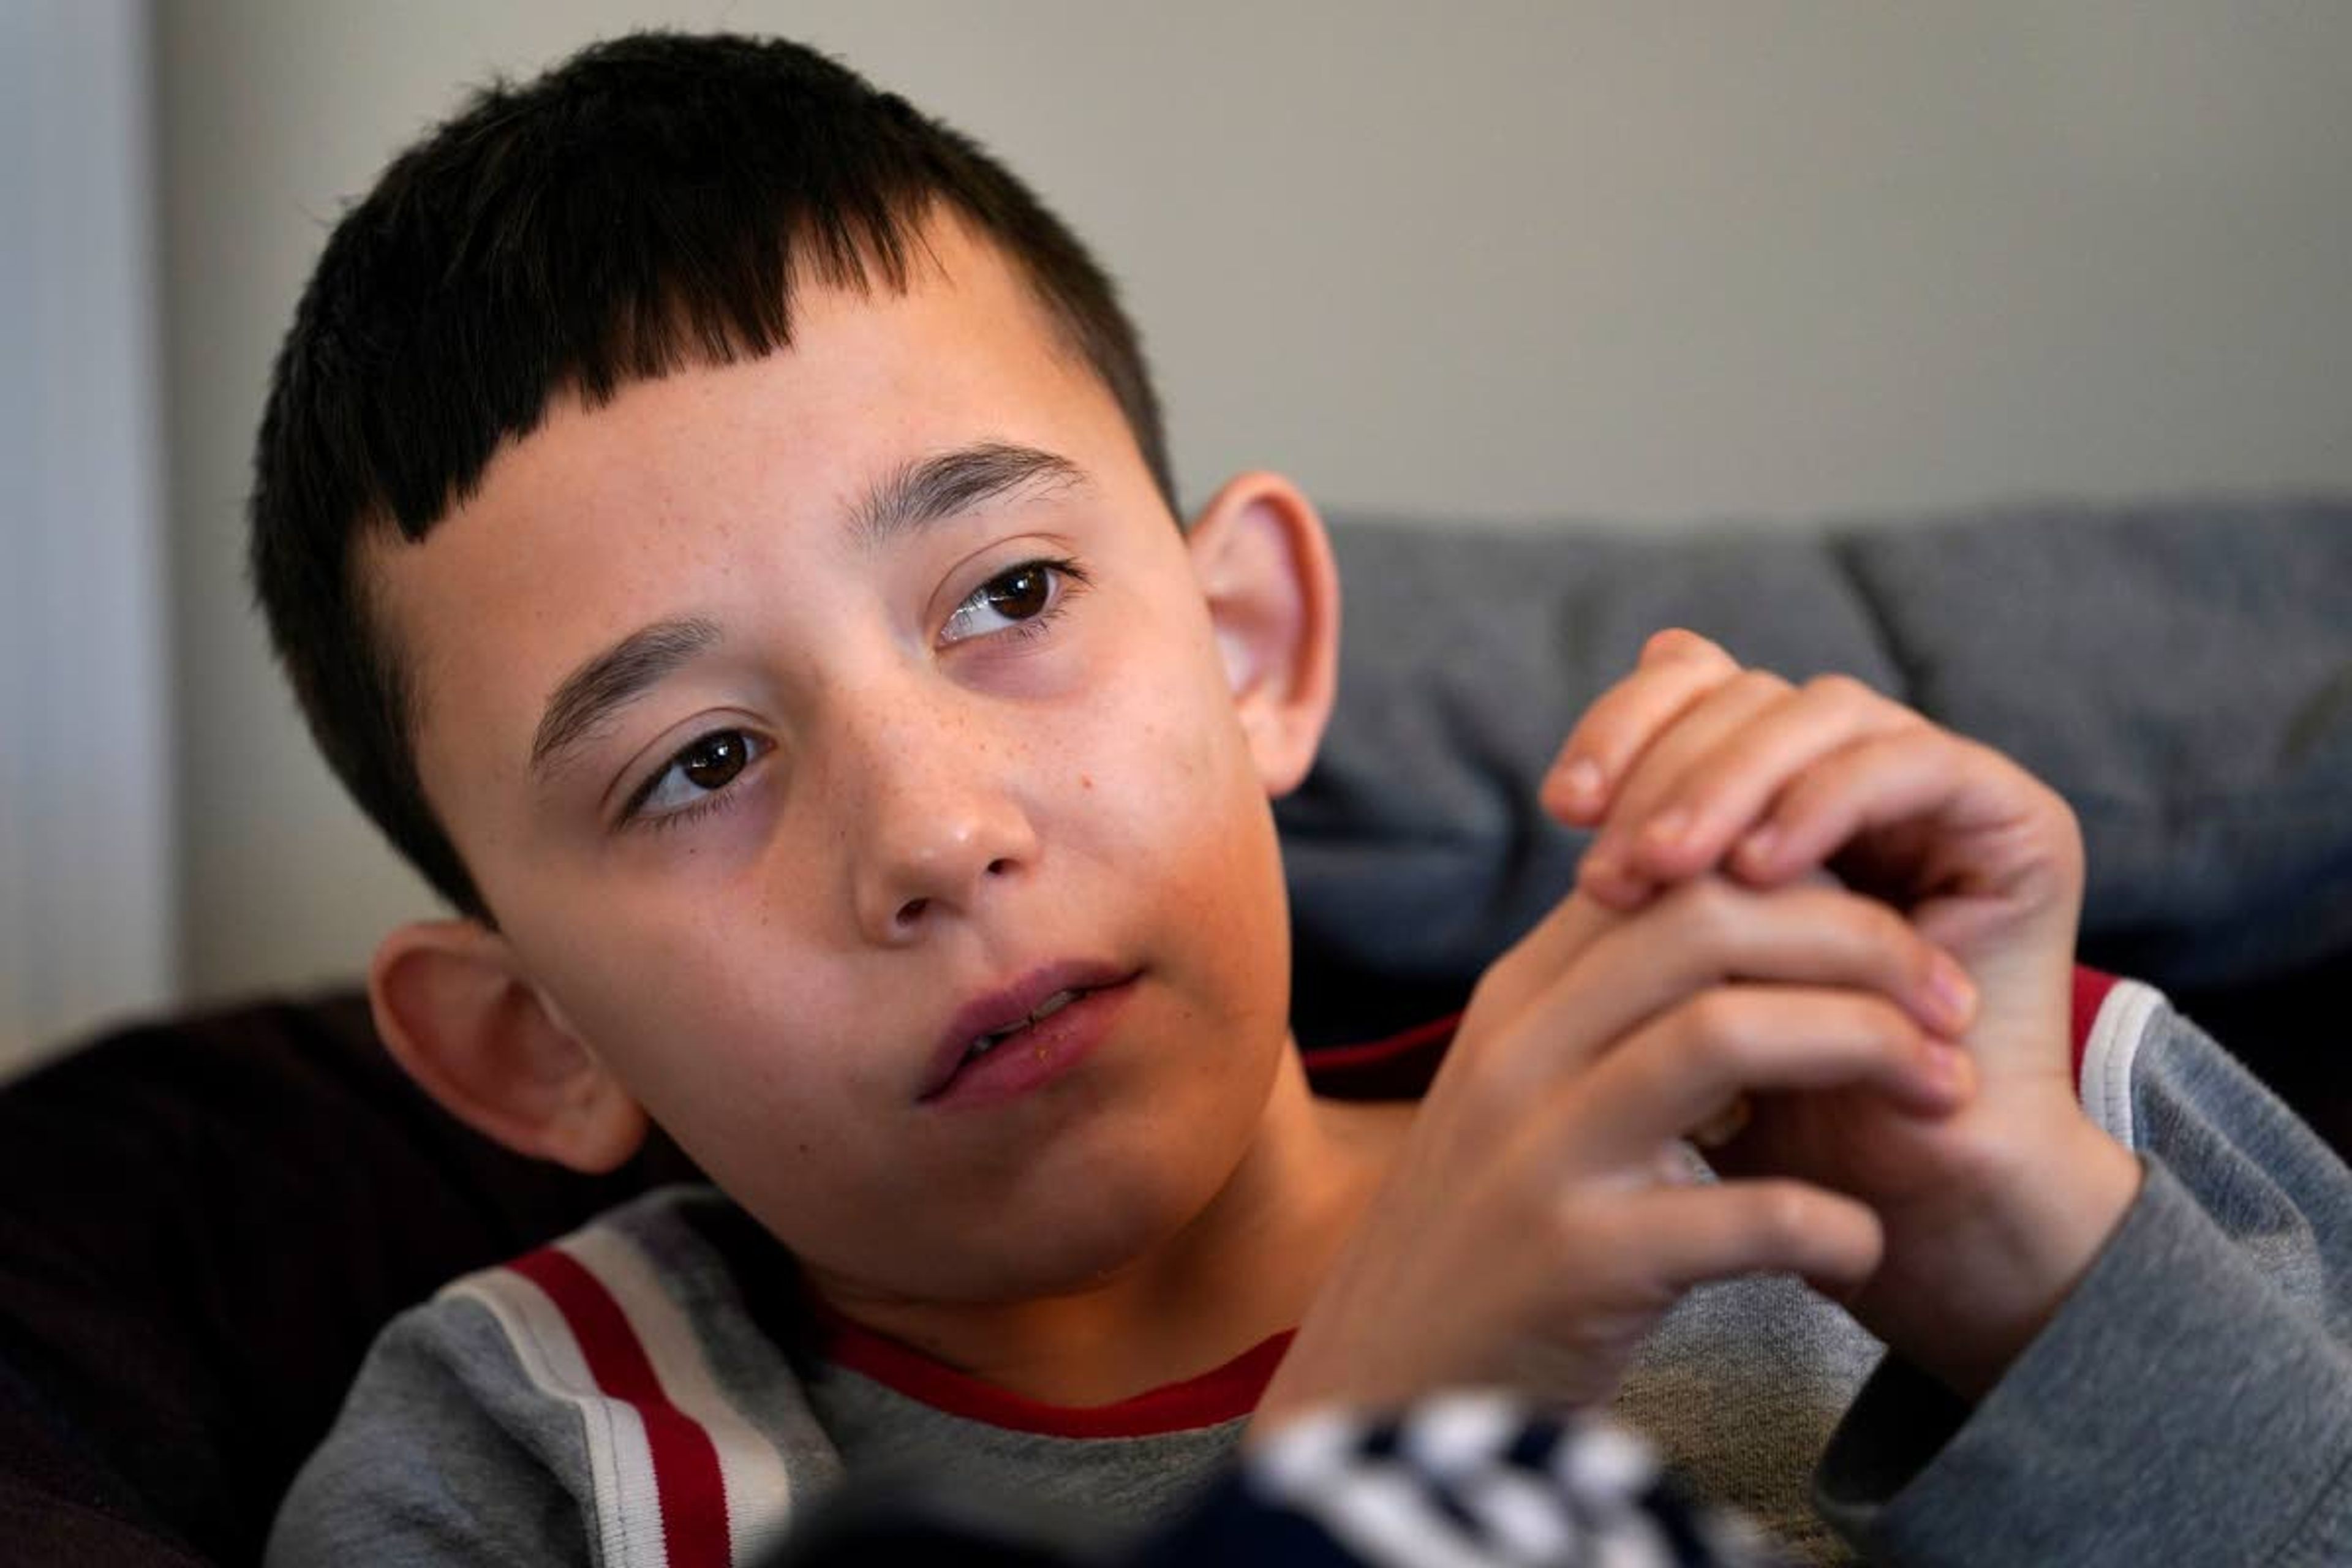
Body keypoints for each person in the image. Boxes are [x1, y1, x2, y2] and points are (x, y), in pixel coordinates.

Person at [254, 31, 2351, 1566]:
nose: (935, 837)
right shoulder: (542, 1462)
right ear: (530, 1045)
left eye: (1007, 594)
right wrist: (1375, 1452)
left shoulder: (1981, 1095)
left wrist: (2023, 1262)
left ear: (1252, 650)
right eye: (699, 762)